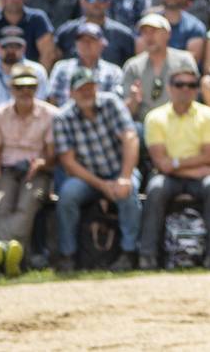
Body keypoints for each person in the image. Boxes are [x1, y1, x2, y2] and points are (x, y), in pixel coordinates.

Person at [52, 66, 142, 272]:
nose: (86, 92)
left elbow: (130, 138)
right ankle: (68, 255)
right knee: (67, 195)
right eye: (81, 88)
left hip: (119, 170)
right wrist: (102, 186)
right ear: (71, 93)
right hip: (87, 178)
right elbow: (69, 163)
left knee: (129, 192)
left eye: (90, 87)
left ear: (96, 87)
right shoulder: (62, 117)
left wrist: (125, 178)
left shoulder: (111, 103)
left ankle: (129, 253)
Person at [140, 67, 210, 270]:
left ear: (197, 89)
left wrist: (176, 164)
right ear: (170, 88)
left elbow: (209, 156)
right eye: (180, 84)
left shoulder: (209, 115)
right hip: (171, 177)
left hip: (196, 177)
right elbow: (161, 163)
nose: (185, 89)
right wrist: (191, 169)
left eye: (191, 85)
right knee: (155, 188)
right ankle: (147, 256)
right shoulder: (155, 117)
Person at [0, 66, 54, 275]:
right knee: (0, 202)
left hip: (37, 171)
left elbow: (53, 156)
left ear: (37, 88)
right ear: (11, 89)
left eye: (30, 87)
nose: (26, 92)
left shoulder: (50, 114)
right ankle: (12, 253)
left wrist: (40, 163)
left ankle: (0, 251)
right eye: (20, 87)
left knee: (27, 204)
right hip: (6, 169)